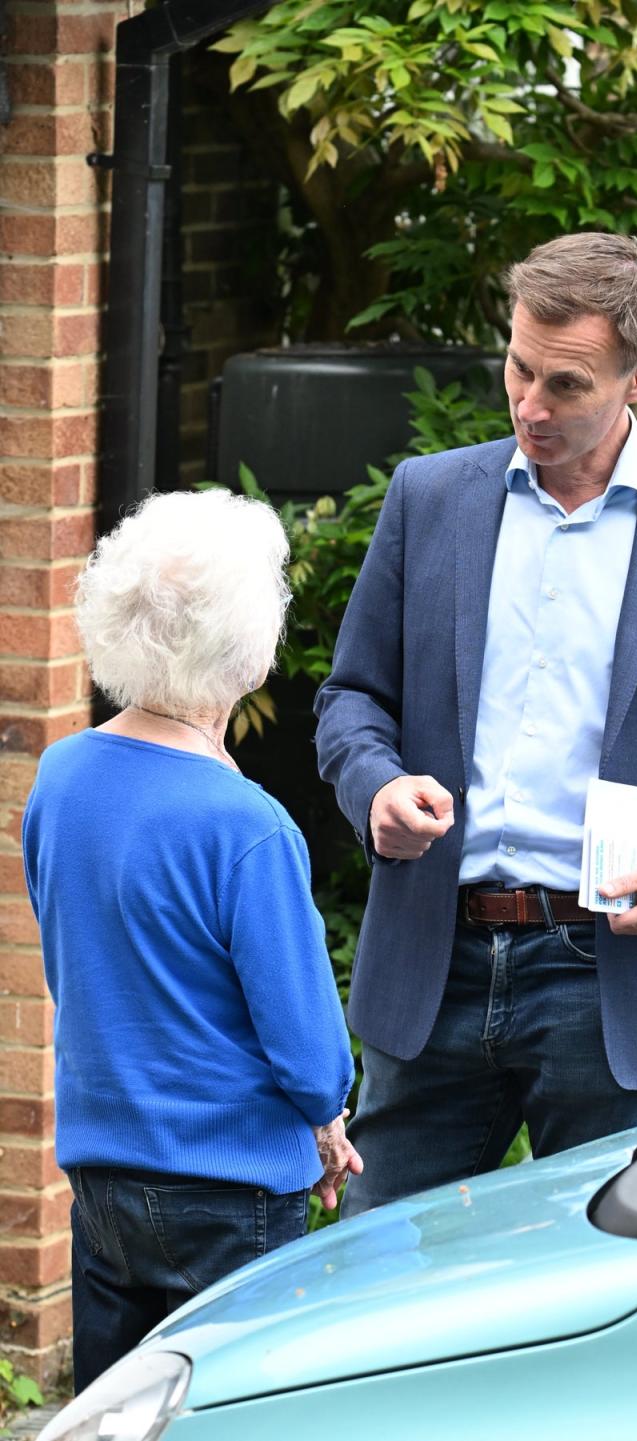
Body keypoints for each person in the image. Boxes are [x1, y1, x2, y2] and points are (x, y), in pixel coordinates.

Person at [314, 232, 637, 1218]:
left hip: (607, 975)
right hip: (435, 959)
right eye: (519, 368)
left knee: (592, 1298)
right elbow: (352, 696)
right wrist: (372, 782)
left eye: (568, 385)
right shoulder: (429, 498)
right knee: (368, 1273)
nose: (531, 406)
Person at [22, 489, 361, 1392]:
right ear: (246, 648)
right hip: (228, 1183)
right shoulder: (246, 827)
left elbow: (78, 952)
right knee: (223, 1406)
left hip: (100, 1164)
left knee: (115, 1404)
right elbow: (311, 1055)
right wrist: (328, 1120)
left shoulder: (62, 775)